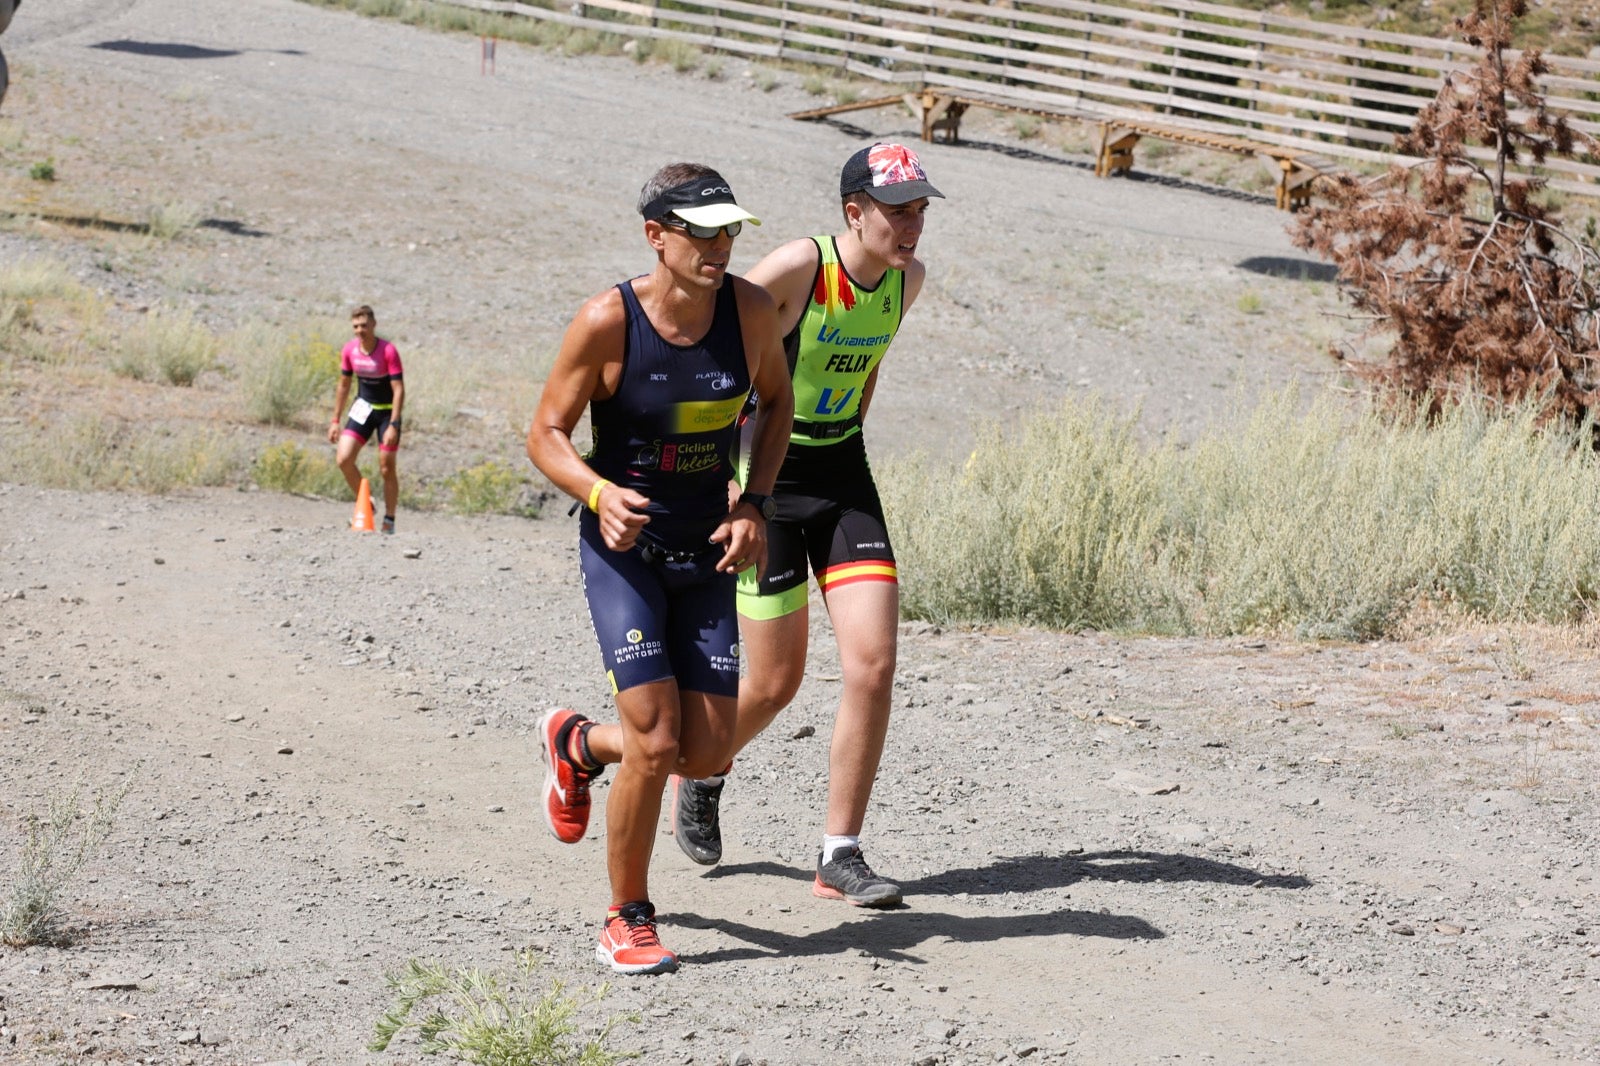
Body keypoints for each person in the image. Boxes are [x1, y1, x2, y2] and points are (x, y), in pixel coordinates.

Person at [526, 163, 792, 975]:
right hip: (626, 553)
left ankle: (576, 745)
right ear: (657, 237)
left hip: (708, 548)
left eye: (729, 231)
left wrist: (753, 503)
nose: (720, 246)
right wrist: (598, 491)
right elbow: (545, 432)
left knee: (704, 752)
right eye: (702, 232)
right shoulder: (608, 321)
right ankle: (627, 915)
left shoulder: (749, 312)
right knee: (655, 737)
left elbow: (776, 404)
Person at [670, 143, 944, 908]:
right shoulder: (798, 267)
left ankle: (839, 853)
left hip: (841, 473)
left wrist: (845, 425)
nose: (913, 225)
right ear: (854, 212)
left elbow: (869, 363)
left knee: (873, 663)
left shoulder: (906, 281)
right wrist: (719, 477)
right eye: (898, 211)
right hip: (765, 481)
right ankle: (704, 768)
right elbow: (713, 345)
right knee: (775, 684)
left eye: (921, 210)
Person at [327, 305, 404, 534]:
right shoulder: (350, 350)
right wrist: (335, 420)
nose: (360, 330)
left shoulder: (388, 351)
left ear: (373, 325)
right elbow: (344, 385)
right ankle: (366, 502)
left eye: (364, 325)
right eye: (356, 326)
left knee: (386, 467)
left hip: (387, 413)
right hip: (363, 409)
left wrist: (394, 424)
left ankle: (389, 520)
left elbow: (398, 389)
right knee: (343, 458)